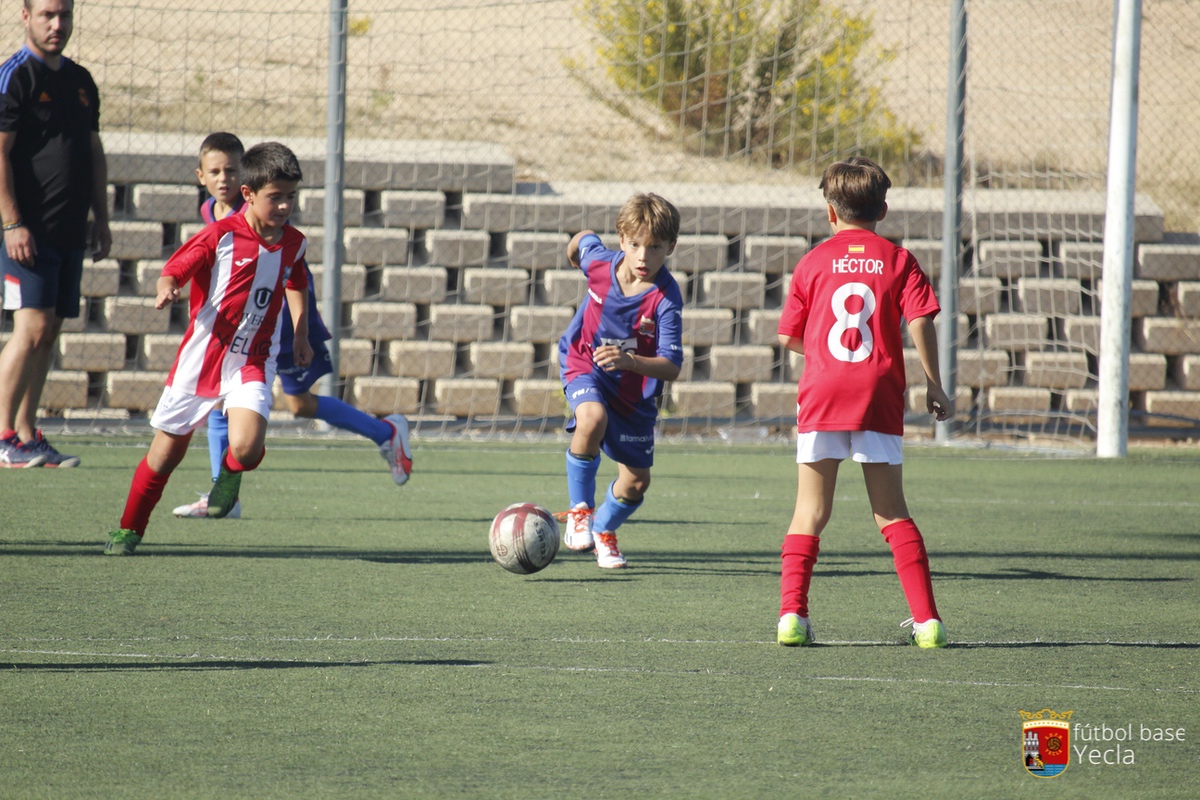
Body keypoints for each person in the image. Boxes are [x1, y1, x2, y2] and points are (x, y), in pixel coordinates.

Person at [171, 132, 412, 519]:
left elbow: (292, 275)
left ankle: (387, 433)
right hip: (240, 330)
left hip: (279, 323)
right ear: (201, 175)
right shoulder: (212, 213)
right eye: (215, 172)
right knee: (237, 401)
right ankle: (224, 496)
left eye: (231, 171)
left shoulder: (259, 211)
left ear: (246, 180)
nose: (224, 179)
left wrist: (300, 330)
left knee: (294, 403)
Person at [775, 156, 952, 648]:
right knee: (891, 511)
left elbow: (788, 336)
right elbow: (920, 320)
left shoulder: (812, 262)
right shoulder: (899, 260)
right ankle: (927, 622)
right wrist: (934, 384)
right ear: (884, 210)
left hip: (822, 393)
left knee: (809, 512)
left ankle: (792, 617)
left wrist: (825, 356)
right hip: (878, 393)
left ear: (830, 212)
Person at [105, 142, 312, 555]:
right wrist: (167, 287)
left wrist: (301, 334)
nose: (285, 206)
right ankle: (129, 529)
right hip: (203, 359)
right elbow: (175, 268)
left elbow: (297, 281)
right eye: (276, 197)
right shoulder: (221, 235)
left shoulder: (295, 242)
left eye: (291, 197)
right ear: (248, 193)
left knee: (247, 448)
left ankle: (228, 477)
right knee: (164, 457)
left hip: (253, 358)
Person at [0, 0, 111, 468]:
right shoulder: (15, 76)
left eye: (64, 14)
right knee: (30, 329)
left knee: (49, 332)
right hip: (27, 230)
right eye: (47, 14)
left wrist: (101, 216)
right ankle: (3, 434)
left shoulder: (81, 80)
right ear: (26, 16)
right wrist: (12, 223)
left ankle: (27, 434)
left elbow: (92, 149)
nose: (57, 24)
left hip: (69, 228)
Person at [558, 193, 684, 569]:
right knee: (591, 418)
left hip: (632, 393)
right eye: (635, 245)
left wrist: (630, 362)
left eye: (655, 247)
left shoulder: (666, 298)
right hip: (584, 363)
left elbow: (671, 366)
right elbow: (582, 240)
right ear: (622, 240)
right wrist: (574, 256)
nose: (643, 257)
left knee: (636, 483)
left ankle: (603, 529)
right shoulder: (599, 263)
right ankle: (580, 511)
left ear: (671, 247)